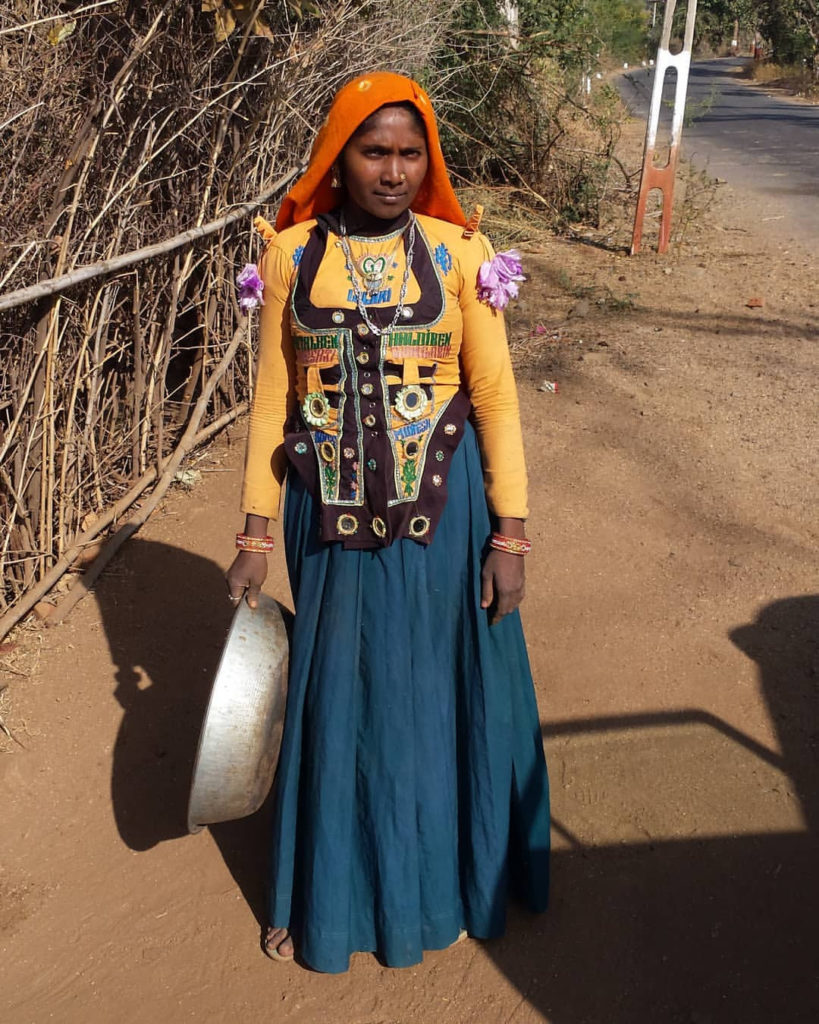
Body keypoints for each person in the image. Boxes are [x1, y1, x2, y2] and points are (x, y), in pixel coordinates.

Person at [226, 71, 550, 974]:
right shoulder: (289, 254)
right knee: (341, 703)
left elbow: (495, 398)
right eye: (375, 151)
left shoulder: (458, 254)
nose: (394, 170)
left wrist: (510, 536)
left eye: (411, 153)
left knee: (431, 700)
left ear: (427, 158)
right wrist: (254, 533)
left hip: (442, 525)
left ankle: (448, 887)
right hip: (324, 523)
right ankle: (324, 898)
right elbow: (268, 406)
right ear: (340, 156)